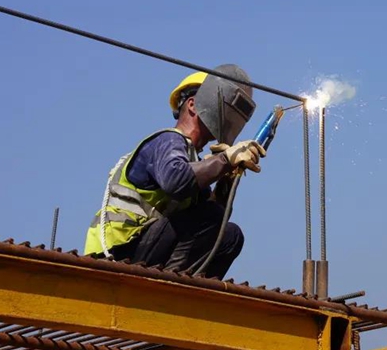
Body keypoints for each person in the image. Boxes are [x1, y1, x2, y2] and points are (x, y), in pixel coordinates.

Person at [83, 64, 266, 279]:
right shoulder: (168, 140)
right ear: (193, 105)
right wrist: (225, 159)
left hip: (147, 249)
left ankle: (190, 291)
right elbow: (176, 180)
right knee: (208, 216)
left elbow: (214, 221)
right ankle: (170, 282)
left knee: (230, 236)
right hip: (119, 252)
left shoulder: (192, 160)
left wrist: (226, 176)